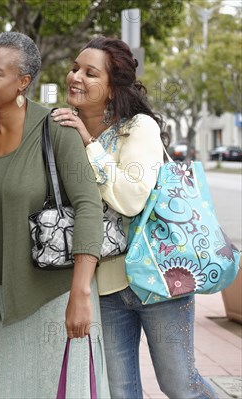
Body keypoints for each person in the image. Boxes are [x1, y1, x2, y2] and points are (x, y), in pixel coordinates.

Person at [51, 36, 219, 399]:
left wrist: (89, 144)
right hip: (107, 286)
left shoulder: (137, 127)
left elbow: (130, 198)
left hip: (159, 280)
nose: (75, 76)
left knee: (179, 384)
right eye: (74, 68)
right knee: (120, 390)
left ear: (112, 88)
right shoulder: (63, 131)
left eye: (90, 73)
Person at [0, 31, 109, 398]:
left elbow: (88, 205)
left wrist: (80, 294)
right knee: (11, 388)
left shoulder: (56, 128)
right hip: (3, 294)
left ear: (23, 82)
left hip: (56, 293)